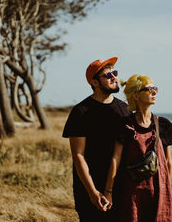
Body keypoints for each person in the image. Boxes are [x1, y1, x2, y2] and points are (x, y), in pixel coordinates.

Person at [62, 56, 130, 222]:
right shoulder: (81, 112)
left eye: (115, 72)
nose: (114, 77)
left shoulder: (125, 110)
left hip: (120, 187)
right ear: (94, 82)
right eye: (108, 75)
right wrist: (92, 192)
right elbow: (78, 155)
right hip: (89, 188)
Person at [104, 74, 172, 222]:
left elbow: (169, 161)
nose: (154, 92)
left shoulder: (163, 125)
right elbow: (115, 159)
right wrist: (108, 191)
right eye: (149, 89)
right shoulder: (125, 126)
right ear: (135, 96)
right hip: (133, 192)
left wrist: (166, 189)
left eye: (155, 88)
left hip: (159, 191)